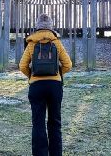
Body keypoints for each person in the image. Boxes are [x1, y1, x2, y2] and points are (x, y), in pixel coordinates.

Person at [19, 13, 72, 156]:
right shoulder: (56, 42)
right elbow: (68, 64)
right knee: (55, 123)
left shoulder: (31, 43)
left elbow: (22, 66)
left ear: (37, 27)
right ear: (50, 27)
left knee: (38, 123)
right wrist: (58, 74)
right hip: (54, 87)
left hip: (36, 87)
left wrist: (32, 75)